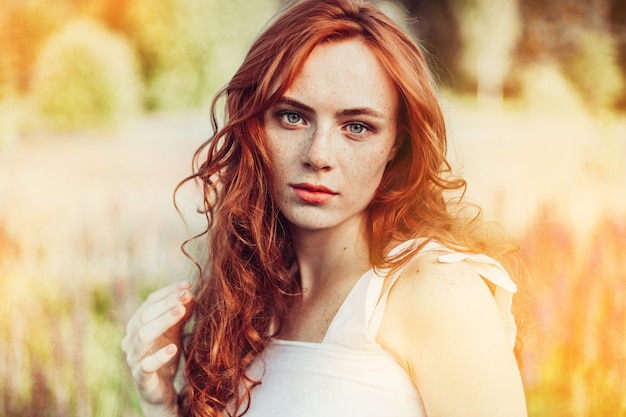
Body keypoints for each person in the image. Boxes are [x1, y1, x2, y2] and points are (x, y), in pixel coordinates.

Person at [121, 0, 528, 416]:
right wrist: (162, 404)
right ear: (254, 124)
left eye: (357, 127)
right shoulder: (247, 298)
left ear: (397, 144)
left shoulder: (437, 292)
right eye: (293, 117)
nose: (318, 155)